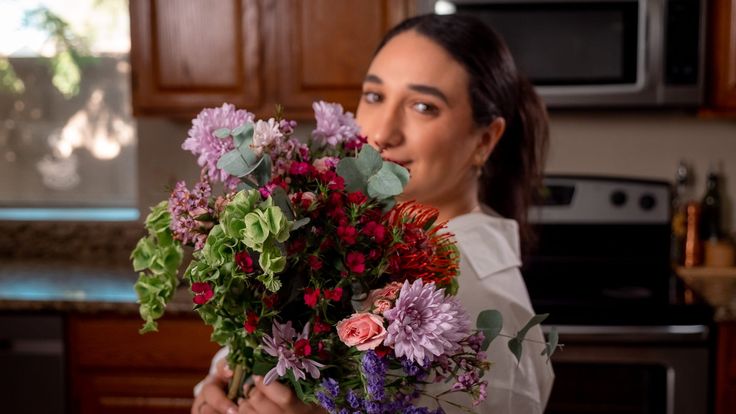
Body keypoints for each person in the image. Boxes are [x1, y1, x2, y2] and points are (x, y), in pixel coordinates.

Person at [192, 13, 554, 414]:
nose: (383, 132)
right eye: (375, 96)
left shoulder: (481, 300)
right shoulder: (353, 241)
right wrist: (220, 390)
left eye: (422, 106)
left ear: (484, 140)